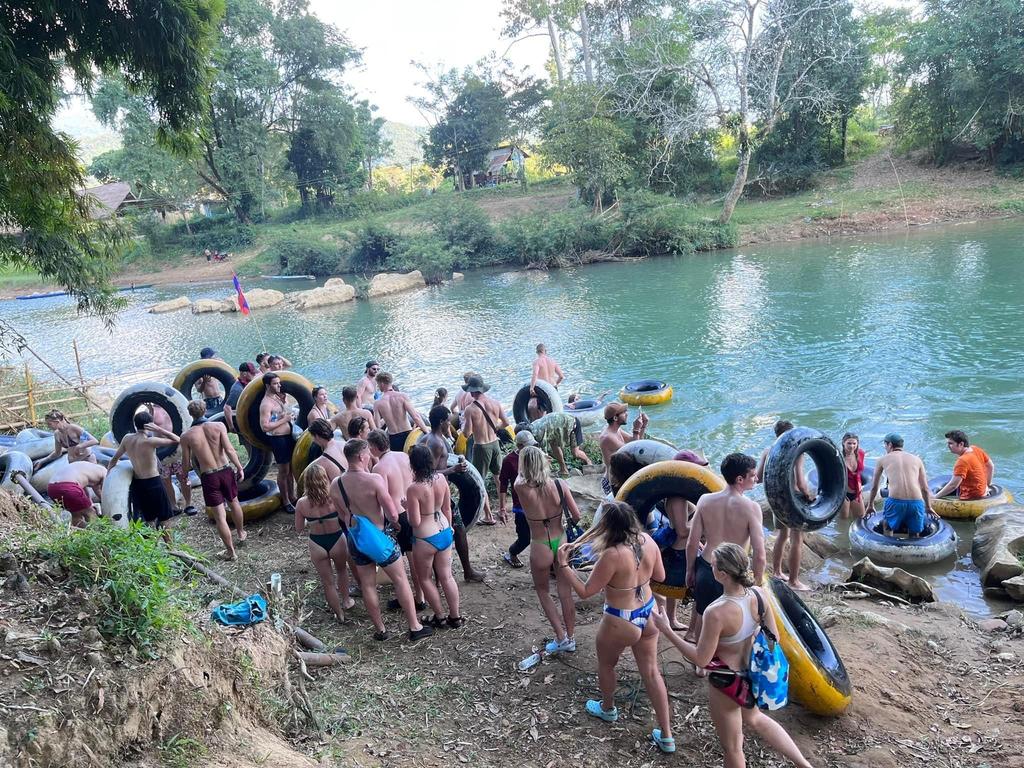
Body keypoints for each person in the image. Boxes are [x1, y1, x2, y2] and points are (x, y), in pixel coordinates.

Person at [654, 544, 814, 768]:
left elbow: (701, 659)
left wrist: (667, 631)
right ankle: (803, 764)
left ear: (722, 574)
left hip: (727, 680)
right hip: (753, 674)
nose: (710, 569)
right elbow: (773, 639)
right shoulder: (759, 595)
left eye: (712, 566)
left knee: (733, 747)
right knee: (755, 719)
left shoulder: (716, 612)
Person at [557, 501, 675, 754]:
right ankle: (666, 735)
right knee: (652, 673)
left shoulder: (612, 555)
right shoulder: (647, 540)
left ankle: (608, 709)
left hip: (621, 618)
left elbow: (586, 592)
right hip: (648, 612)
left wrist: (564, 566)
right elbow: (661, 577)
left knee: (607, 665)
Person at [330, 439, 433, 642]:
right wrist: (395, 523)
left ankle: (380, 630)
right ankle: (414, 625)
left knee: (368, 585)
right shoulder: (374, 480)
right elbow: (393, 513)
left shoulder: (336, 483)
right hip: (379, 539)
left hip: (356, 539)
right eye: (367, 454)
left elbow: (342, 515)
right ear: (361, 456)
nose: (370, 456)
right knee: (400, 579)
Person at [686, 453, 766, 664]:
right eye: (752, 475)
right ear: (740, 479)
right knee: (738, 615)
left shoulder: (705, 500)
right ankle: (732, 659)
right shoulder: (751, 508)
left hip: (707, 565)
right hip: (734, 570)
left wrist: (689, 571)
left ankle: (702, 662)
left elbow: (692, 542)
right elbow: (760, 553)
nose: (756, 478)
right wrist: (757, 583)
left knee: (704, 612)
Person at [515, 445, 581, 654]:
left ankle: (560, 638)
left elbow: (521, 474)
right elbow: (577, 515)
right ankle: (570, 637)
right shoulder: (560, 485)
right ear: (544, 462)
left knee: (543, 592)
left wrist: (530, 460)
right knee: (565, 593)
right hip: (560, 540)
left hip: (540, 543)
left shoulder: (521, 487)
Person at [423, 405, 485, 583]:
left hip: (433, 495)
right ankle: (464, 572)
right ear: (442, 422)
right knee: (454, 531)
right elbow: (429, 474)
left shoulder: (426, 438)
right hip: (438, 495)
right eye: (448, 421)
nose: (450, 424)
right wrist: (454, 469)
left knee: (452, 531)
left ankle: (456, 573)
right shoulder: (436, 443)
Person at [180, 400, 247, 560]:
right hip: (225, 470)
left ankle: (231, 552)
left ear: (190, 414)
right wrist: (239, 467)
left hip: (209, 476)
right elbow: (230, 449)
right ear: (205, 411)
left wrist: (184, 476)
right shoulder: (218, 426)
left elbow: (186, 462)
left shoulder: (186, 436)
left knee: (219, 516)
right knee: (234, 502)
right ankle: (240, 532)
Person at [367, 429, 426, 611]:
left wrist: (391, 521)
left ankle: (417, 597)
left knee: (406, 559)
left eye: (369, 447)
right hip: (412, 507)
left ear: (374, 447)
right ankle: (420, 595)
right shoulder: (403, 455)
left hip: (398, 515)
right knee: (414, 555)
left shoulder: (379, 468)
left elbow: (383, 497)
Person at [406, 444, 463, 628]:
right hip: (444, 530)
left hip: (425, 537)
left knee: (424, 578)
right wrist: (450, 527)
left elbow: (414, 522)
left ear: (413, 464)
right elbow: (447, 508)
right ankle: (455, 617)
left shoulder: (414, 488)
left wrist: (407, 506)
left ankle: (440, 616)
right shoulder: (441, 478)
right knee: (447, 576)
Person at [295, 463, 356, 622]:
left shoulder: (301, 503)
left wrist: (312, 521)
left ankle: (339, 615)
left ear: (307, 482)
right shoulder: (334, 498)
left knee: (327, 582)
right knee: (342, 571)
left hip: (316, 543)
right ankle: (346, 601)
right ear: (325, 479)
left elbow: (299, 528)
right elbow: (345, 518)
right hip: (336, 538)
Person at [756, 421, 813, 591]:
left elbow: (759, 478)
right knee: (797, 540)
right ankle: (794, 581)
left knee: (782, 535)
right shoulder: (797, 451)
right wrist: (809, 495)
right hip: (793, 499)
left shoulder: (768, 451)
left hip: (776, 498)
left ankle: (777, 572)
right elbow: (801, 482)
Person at [107, 410, 181, 539]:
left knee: (149, 518)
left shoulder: (127, 439)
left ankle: (153, 548)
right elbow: (177, 440)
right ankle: (171, 548)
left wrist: (107, 478)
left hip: (138, 483)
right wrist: (160, 429)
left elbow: (113, 460)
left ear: (136, 424)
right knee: (164, 517)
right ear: (149, 425)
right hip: (153, 482)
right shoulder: (150, 441)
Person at [657, 449, 709, 632]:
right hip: (680, 552)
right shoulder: (678, 498)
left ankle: (672, 620)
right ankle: (692, 631)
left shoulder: (680, 493)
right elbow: (681, 530)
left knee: (675, 590)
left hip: (683, 549)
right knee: (694, 589)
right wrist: (701, 520)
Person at [460, 374, 509, 526]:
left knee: (480, 482)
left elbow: (467, 433)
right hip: (495, 443)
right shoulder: (495, 403)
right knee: (499, 478)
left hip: (481, 447)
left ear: (472, 392)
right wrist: (493, 428)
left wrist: (463, 426)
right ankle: (502, 509)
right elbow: (506, 423)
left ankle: (488, 515)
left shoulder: (470, 409)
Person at [864, 433, 935, 537]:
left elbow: (874, 486)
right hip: (916, 502)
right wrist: (928, 507)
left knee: (887, 526)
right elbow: (925, 488)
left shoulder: (882, 459)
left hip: (895, 501)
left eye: (885, 445)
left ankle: (888, 547)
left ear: (890, 445)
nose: (885, 447)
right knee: (915, 534)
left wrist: (870, 505)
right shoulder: (917, 459)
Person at [259, 372, 297, 513]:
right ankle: (285, 500)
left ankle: (292, 496)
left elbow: (279, 416)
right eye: (275, 383)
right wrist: (284, 420)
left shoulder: (277, 397)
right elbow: (265, 426)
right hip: (278, 439)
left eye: (279, 383)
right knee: (283, 470)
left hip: (288, 437)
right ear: (268, 385)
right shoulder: (266, 404)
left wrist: (285, 414)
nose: (279, 385)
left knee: (291, 469)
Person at [500, 429, 537, 569]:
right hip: (520, 505)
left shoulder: (535, 455)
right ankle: (512, 552)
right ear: (519, 446)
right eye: (528, 445)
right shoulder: (509, 460)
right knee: (525, 538)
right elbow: (503, 484)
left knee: (544, 535)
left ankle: (550, 564)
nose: (532, 448)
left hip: (537, 502)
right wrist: (502, 508)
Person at [150, 403, 194, 516]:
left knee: (183, 477)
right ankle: (173, 505)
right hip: (162, 452)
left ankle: (188, 504)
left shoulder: (173, 404)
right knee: (166, 480)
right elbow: (147, 425)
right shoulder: (151, 409)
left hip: (177, 450)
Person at [598, 403, 648, 497]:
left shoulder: (616, 430)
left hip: (620, 478)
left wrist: (643, 426)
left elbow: (633, 441)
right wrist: (636, 429)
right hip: (613, 483)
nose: (627, 414)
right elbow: (634, 451)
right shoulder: (608, 437)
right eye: (624, 412)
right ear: (615, 418)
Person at [374, 372, 428, 453]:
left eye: (378, 384)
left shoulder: (377, 403)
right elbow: (416, 417)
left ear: (382, 383)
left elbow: (378, 427)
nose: (378, 386)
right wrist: (427, 432)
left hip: (393, 439)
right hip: (408, 436)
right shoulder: (402, 396)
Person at [934, 430, 995, 501]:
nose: (948, 446)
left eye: (951, 443)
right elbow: (991, 466)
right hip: (983, 492)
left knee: (939, 493)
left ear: (961, 444)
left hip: (970, 497)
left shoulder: (962, 460)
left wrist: (935, 497)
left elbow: (953, 486)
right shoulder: (975, 449)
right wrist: (987, 485)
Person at [530, 411, 591, 476]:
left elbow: (544, 455)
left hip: (573, 424)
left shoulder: (539, 434)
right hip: (555, 428)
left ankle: (589, 463)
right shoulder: (532, 427)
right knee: (554, 446)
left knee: (575, 453)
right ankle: (564, 470)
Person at [46, 461, 106, 528]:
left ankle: (77, 533)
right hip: (68, 487)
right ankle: (99, 532)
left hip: (51, 488)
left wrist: (90, 502)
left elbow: (91, 489)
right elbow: (105, 493)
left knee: (76, 515)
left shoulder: (88, 468)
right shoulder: (105, 472)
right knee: (90, 512)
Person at [32, 410, 98, 470]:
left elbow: (94, 441)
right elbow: (57, 453)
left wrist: (79, 446)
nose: (48, 426)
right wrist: (42, 461)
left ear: (57, 422)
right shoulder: (57, 434)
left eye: (50, 424)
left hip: (87, 461)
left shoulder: (74, 428)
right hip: (74, 465)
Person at [223, 362, 257, 434]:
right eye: (252, 373)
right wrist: (231, 427)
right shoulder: (237, 389)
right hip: (243, 422)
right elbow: (227, 407)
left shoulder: (248, 383)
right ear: (244, 374)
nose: (254, 375)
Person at [841, 433, 866, 519]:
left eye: (854, 443)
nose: (852, 446)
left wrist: (860, 491)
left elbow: (859, 473)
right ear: (843, 443)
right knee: (843, 521)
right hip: (843, 493)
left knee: (861, 518)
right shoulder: (839, 458)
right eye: (849, 443)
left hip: (856, 492)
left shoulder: (861, 454)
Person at [194, 347, 225, 412]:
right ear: (208, 357)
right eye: (213, 356)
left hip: (218, 397)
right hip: (208, 400)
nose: (214, 357)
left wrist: (214, 360)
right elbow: (199, 390)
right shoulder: (198, 371)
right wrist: (204, 382)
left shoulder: (214, 365)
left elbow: (222, 361)